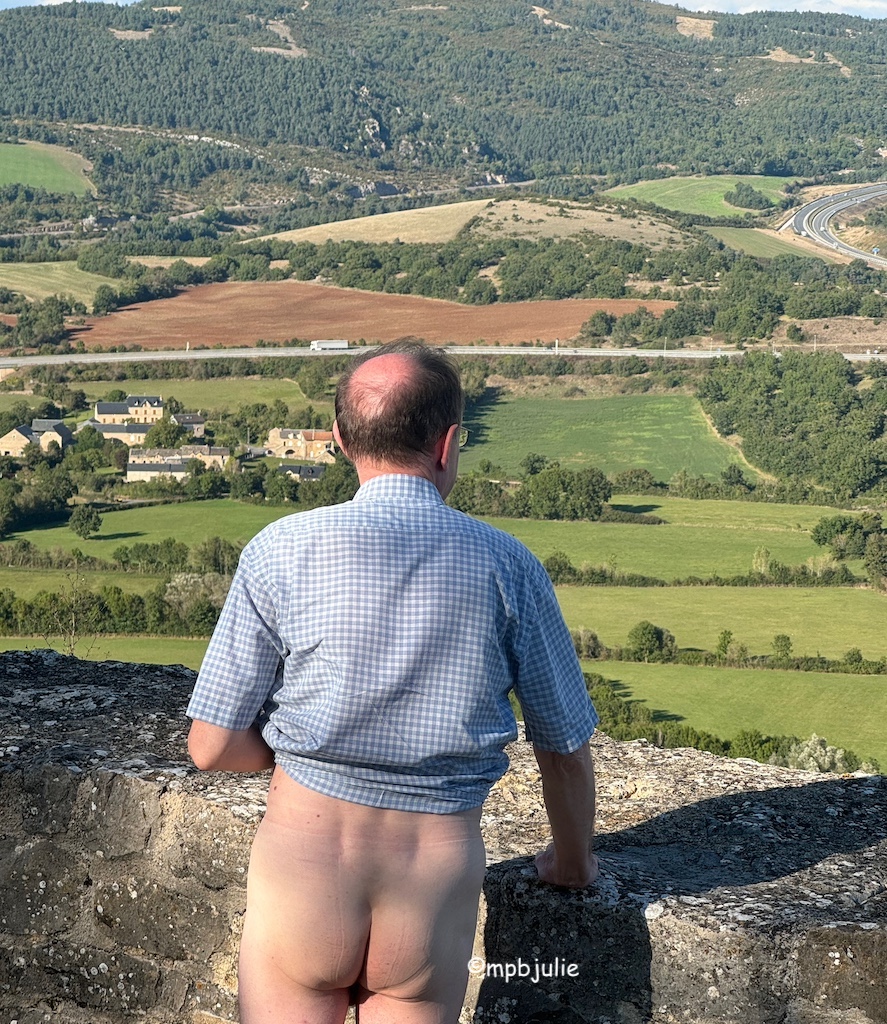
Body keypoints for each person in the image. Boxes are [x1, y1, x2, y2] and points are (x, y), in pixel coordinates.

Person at [186, 341, 598, 1024]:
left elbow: (210, 747)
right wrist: (573, 864)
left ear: (343, 440)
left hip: (302, 876)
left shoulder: (280, 549)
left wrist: (294, 751)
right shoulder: (508, 566)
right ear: (449, 443)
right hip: (430, 891)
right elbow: (562, 749)